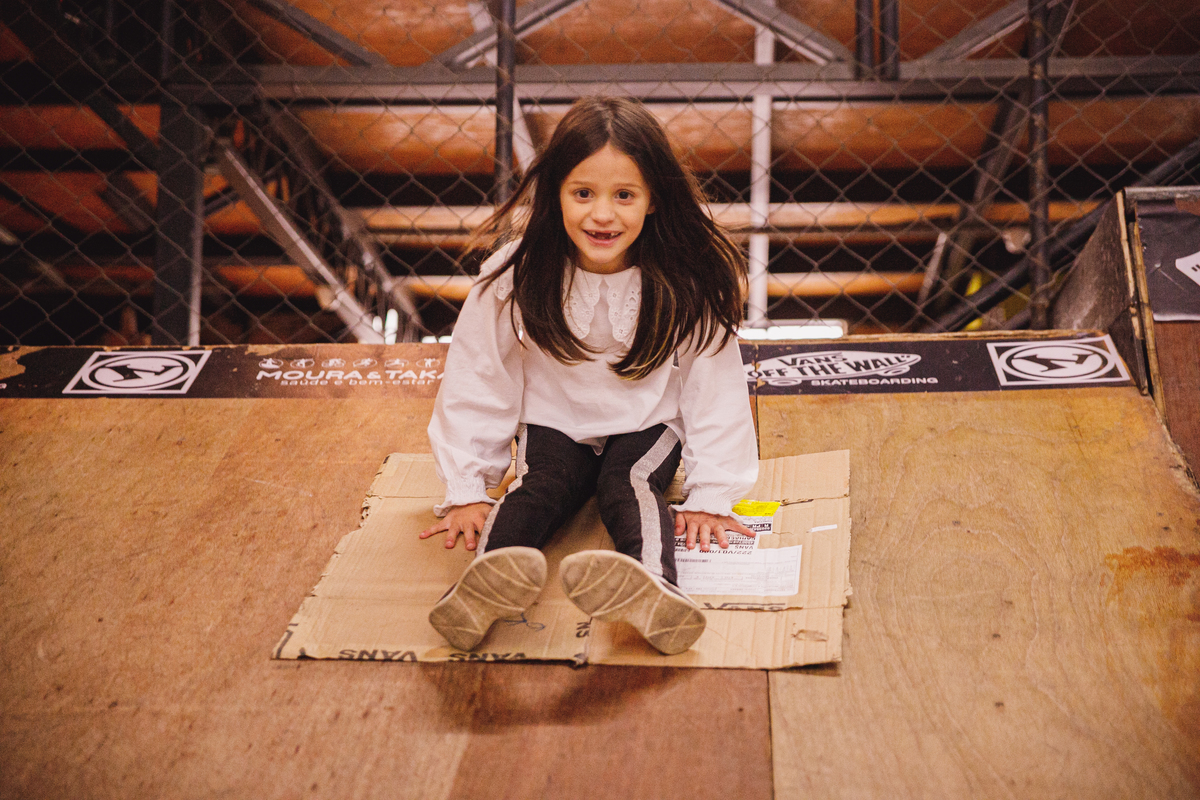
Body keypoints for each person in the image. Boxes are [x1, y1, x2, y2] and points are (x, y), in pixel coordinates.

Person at [420, 96, 758, 656]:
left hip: (648, 419)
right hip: (555, 419)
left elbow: (712, 382)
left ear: (653, 200)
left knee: (627, 486)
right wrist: (466, 486)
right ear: (555, 195)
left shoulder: (685, 275)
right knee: (537, 487)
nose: (603, 215)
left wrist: (711, 493)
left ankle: (654, 589)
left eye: (624, 195)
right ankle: (481, 590)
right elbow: (480, 372)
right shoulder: (515, 271)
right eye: (583, 193)